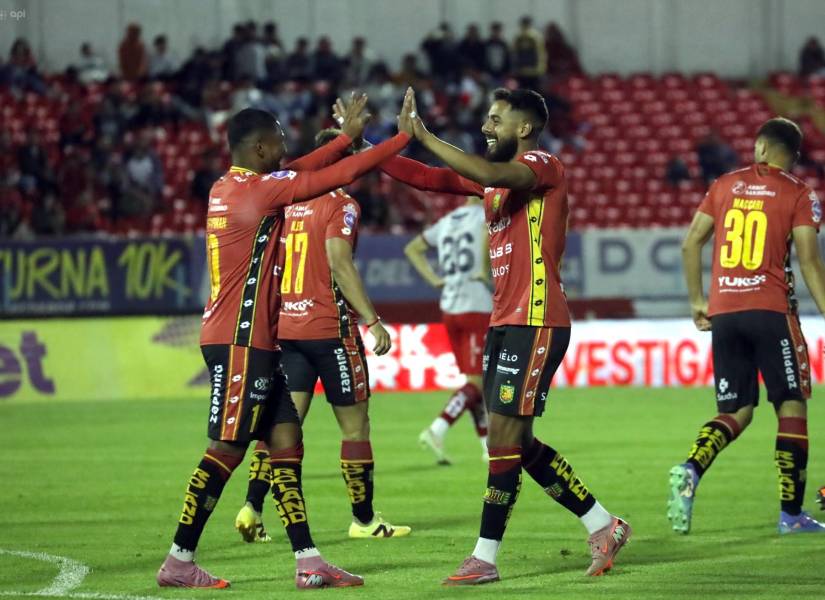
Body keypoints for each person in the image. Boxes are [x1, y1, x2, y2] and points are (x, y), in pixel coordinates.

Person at [156, 95, 414, 590]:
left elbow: (302, 168)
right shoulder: (259, 194)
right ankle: (179, 560)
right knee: (225, 449)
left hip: (258, 342)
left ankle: (309, 560)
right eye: (277, 140)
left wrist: (342, 139)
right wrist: (401, 139)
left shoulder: (230, 187)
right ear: (258, 147)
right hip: (240, 341)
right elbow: (330, 177)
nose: (284, 147)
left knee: (285, 442)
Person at [380, 87, 631, 584]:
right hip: (505, 321)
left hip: (537, 320)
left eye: (495, 120)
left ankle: (485, 558)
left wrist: (424, 134)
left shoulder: (542, 166)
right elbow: (429, 178)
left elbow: (489, 171)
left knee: (502, 440)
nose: (485, 127)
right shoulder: (492, 185)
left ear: (524, 127)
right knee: (518, 441)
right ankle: (604, 524)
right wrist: (368, 150)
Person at [236, 126, 411, 543]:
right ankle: (364, 520)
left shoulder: (285, 203)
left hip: (288, 332)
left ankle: (252, 506)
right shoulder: (342, 205)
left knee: (283, 428)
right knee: (355, 428)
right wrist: (371, 319)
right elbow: (338, 262)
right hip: (330, 332)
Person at [671, 117, 825, 535]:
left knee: (735, 411)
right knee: (791, 405)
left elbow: (690, 243)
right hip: (771, 310)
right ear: (792, 156)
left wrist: (697, 301)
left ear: (759, 148)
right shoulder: (798, 192)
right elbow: (809, 260)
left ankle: (691, 468)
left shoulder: (723, 186)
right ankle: (791, 516)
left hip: (725, 313)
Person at [405, 196, 492, 464]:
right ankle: (437, 429)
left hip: (450, 307)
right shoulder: (484, 217)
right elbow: (489, 238)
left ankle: (488, 447)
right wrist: (486, 272)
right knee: (477, 384)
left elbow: (412, 248)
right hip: (476, 304)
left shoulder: (445, 222)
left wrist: (434, 279)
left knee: (473, 385)